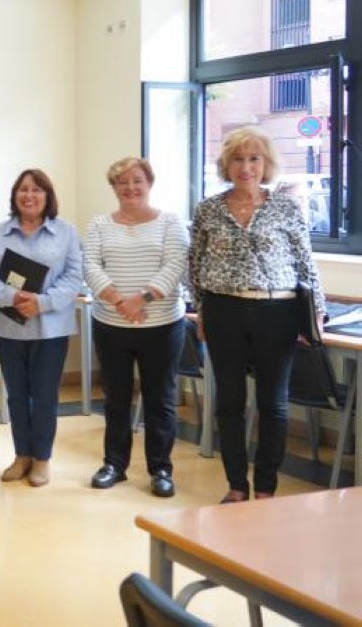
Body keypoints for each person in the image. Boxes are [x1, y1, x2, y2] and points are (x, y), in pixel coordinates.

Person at [189, 127, 322, 503]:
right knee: (229, 401)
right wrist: (201, 311)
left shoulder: (285, 207)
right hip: (223, 309)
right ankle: (236, 485)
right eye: (237, 159)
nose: (245, 167)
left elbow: (305, 262)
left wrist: (316, 314)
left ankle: (265, 487)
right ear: (225, 165)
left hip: (277, 311)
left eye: (254, 158)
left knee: (273, 403)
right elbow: (195, 264)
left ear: (266, 165)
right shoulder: (208, 209)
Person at [83, 157, 189, 498]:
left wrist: (140, 299)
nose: (130, 187)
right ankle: (115, 464)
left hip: (162, 325)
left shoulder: (170, 222)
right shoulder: (99, 224)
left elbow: (175, 264)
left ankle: (161, 469)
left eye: (137, 180)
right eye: (122, 182)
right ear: (113, 188)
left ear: (149, 183)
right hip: (111, 324)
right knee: (116, 399)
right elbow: (91, 265)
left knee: (161, 399)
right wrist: (120, 301)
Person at [0, 169, 83, 488]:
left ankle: (42, 459)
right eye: (23, 189)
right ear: (15, 196)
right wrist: (11, 296)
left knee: (45, 396)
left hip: (50, 328)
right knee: (17, 396)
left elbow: (74, 277)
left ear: (47, 196)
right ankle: (22, 455)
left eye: (37, 190)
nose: (29, 195)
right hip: (9, 327)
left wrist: (43, 302)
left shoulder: (65, 232)